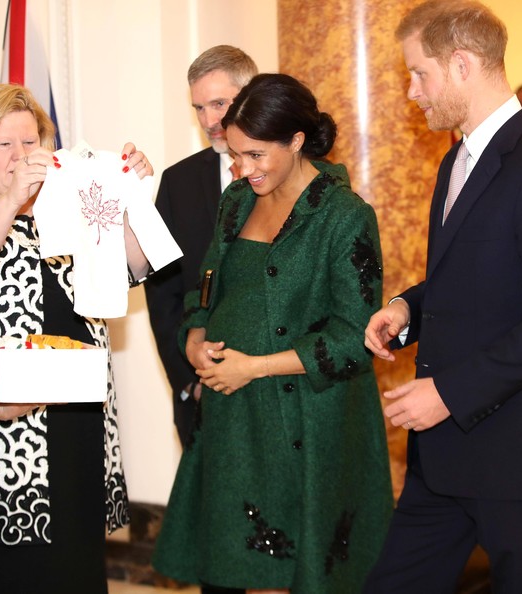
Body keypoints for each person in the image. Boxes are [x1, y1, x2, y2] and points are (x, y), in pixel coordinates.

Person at [362, 2, 522, 593]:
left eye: (420, 74)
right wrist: (406, 309)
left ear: (461, 64)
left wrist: (448, 393)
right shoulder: (456, 160)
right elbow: (465, 278)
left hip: (512, 458)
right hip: (441, 459)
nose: (413, 91)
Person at [152, 73, 393, 594]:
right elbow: (206, 289)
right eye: (237, 155)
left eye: (257, 155)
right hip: (235, 421)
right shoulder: (236, 200)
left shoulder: (345, 216)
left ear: (297, 141)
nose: (244, 169)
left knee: (294, 575)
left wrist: (255, 366)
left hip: (305, 422)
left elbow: (355, 339)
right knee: (229, 570)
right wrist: (194, 335)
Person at [0, 83, 152, 594]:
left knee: (77, 567)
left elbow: (132, 271)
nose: (21, 156)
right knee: (15, 574)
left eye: (30, 143)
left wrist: (129, 198)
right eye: (4, 144)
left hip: (80, 420)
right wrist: (11, 200)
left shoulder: (66, 212)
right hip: (9, 431)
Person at [145, 45, 258, 448]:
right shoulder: (178, 183)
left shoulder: (295, 176)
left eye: (219, 104)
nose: (210, 120)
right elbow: (162, 294)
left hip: (278, 393)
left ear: (250, 97)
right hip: (202, 396)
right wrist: (189, 381)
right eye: (199, 108)